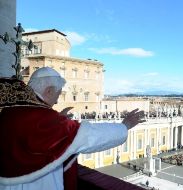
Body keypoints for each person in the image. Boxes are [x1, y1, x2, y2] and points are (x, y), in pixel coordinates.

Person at [0, 67, 145, 190]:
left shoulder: (13, 111)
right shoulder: (43, 119)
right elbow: (89, 136)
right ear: (49, 90)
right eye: (57, 95)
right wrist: (124, 126)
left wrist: (59, 118)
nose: (57, 101)